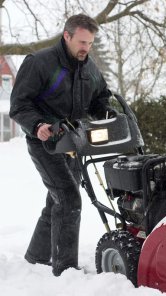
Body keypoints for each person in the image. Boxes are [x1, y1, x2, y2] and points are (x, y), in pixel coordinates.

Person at [9, 14, 116, 276]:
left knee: (56, 201)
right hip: (45, 143)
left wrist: (107, 114)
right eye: (82, 42)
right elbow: (19, 105)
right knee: (69, 199)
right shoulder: (39, 63)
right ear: (66, 36)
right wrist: (37, 125)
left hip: (75, 143)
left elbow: (100, 97)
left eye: (90, 43)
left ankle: (36, 256)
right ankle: (65, 271)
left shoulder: (88, 68)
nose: (86, 48)